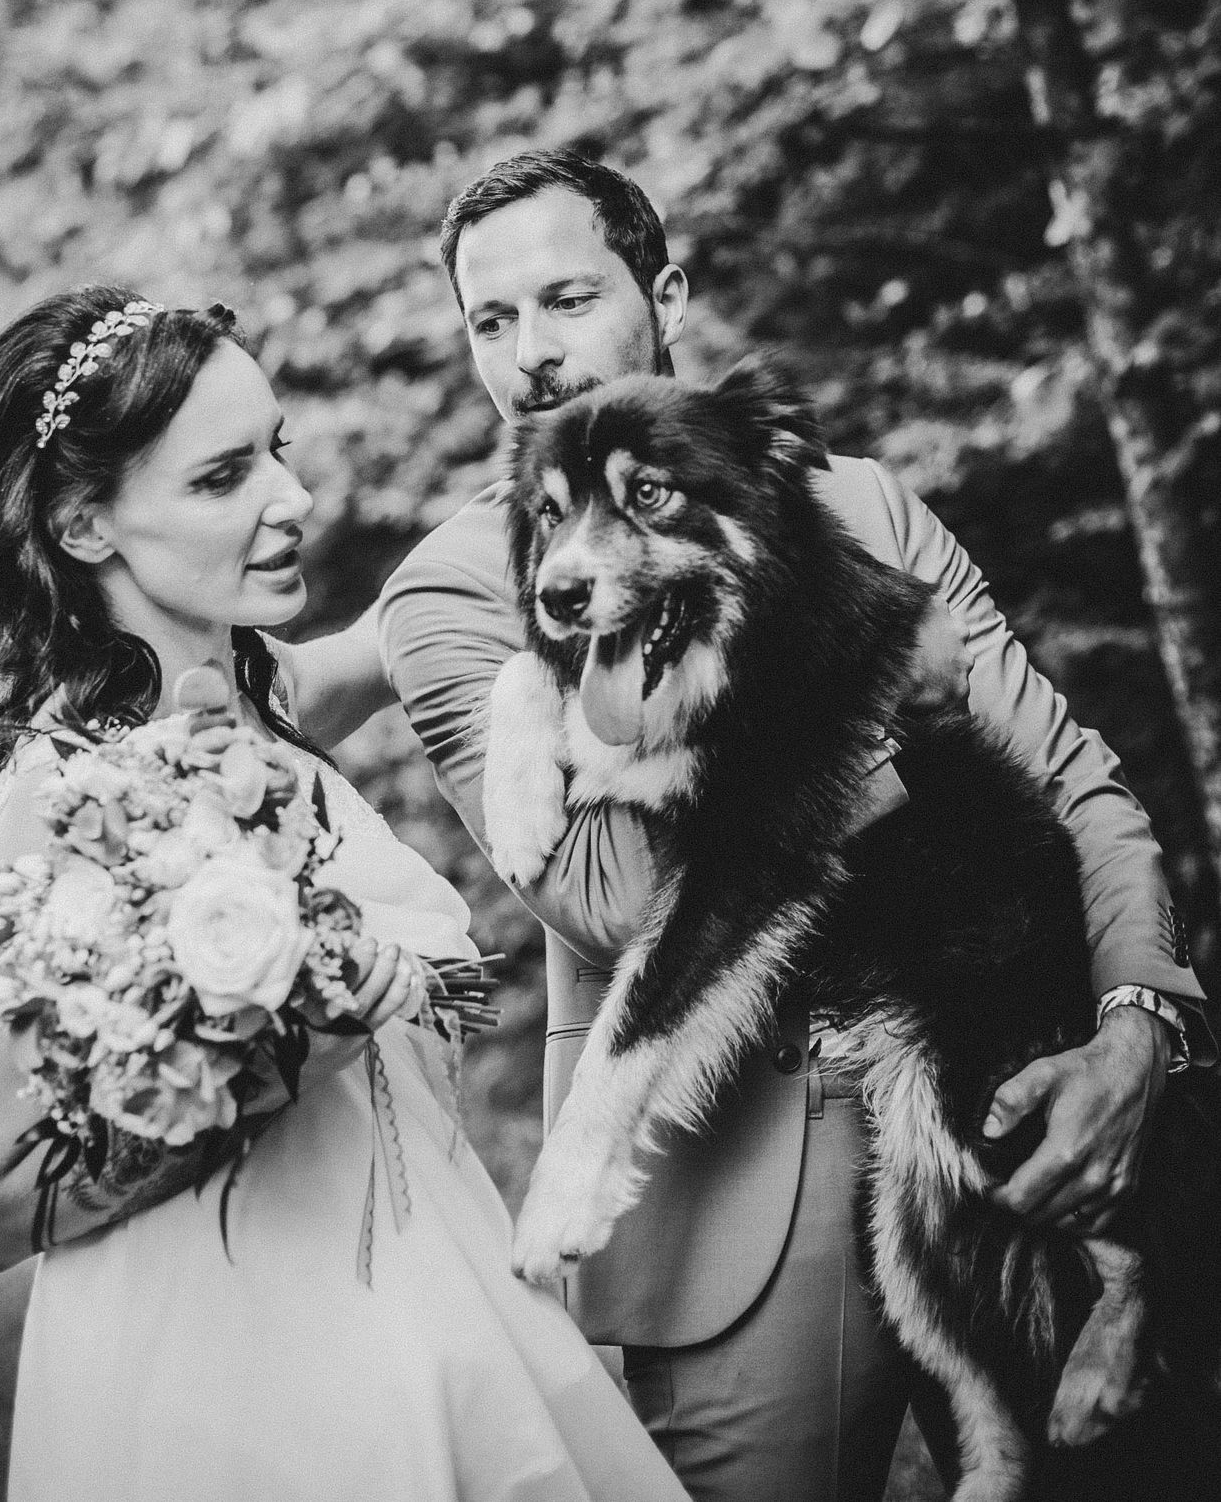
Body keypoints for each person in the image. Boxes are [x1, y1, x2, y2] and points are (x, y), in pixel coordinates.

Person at [286, 150, 1211, 1502]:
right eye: (493, 321)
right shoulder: (463, 588)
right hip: (722, 1216)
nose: (534, 353)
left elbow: (1072, 778)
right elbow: (598, 887)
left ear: (662, 293)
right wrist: (860, 730)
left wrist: (1139, 1019)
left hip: (1006, 1087)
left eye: (565, 298)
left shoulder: (866, 504)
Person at [0, 285, 688, 1502]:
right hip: (237, 1375)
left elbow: (413, 619)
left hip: (437, 1296)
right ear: (85, 524)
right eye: (224, 476)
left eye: (278, 449)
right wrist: (273, 1061)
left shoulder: (266, 701)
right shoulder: (66, 795)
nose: (291, 499)